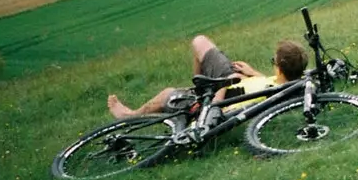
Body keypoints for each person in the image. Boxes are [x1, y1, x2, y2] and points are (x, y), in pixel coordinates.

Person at [107, 34, 308, 119]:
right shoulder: (283, 84)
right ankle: (198, 87)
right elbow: (268, 85)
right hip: (231, 79)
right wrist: (252, 72)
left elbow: (229, 105)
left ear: (279, 69)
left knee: (167, 94)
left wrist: (217, 93)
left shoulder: (268, 92)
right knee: (200, 42)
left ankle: (130, 116)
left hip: (219, 94)